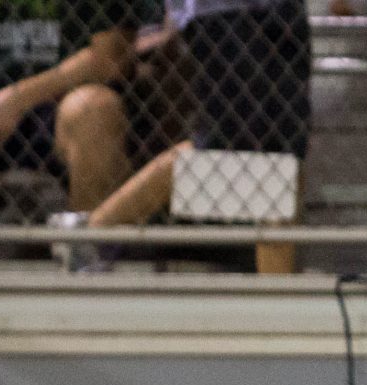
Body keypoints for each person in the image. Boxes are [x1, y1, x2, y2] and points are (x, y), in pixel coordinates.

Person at [60, 0, 315, 267]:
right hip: (231, 13)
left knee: (284, 159)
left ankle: (275, 291)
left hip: (279, 11)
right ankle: (92, 231)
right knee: (234, 154)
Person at [0, 0, 147, 233]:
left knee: (93, 108)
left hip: (62, 102)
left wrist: (15, 99)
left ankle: (87, 250)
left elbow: (109, 59)